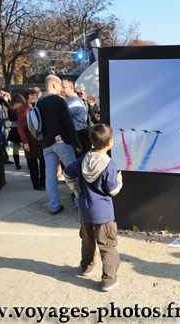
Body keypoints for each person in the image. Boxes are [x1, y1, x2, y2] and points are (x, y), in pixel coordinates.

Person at [63, 124, 123, 292]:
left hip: (85, 211)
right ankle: (109, 280)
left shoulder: (84, 158)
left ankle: (86, 268)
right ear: (110, 142)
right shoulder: (110, 165)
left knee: (87, 240)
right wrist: (119, 180)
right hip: (103, 214)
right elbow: (113, 190)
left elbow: (67, 173)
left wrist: (77, 190)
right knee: (107, 245)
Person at [36, 75, 81, 215]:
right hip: (62, 143)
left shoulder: (38, 102)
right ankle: (81, 204)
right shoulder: (59, 101)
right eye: (60, 85)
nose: (62, 89)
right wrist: (76, 143)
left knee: (50, 178)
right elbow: (68, 123)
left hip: (46, 144)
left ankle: (53, 206)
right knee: (74, 174)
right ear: (54, 85)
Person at [17, 88, 45, 190]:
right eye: (31, 95)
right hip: (30, 141)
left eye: (35, 95)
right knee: (33, 164)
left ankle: (43, 182)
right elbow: (21, 128)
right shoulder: (23, 110)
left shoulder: (38, 108)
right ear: (27, 96)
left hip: (40, 141)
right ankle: (36, 184)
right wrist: (25, 142)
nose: (34, 97)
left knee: (43, 162)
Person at [62, 79, 91, 156]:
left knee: (81, 162)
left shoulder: (75, 101)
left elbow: (63, 115)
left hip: (80, 135)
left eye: (64, 87)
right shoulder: (69, 100)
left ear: (71, 87)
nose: (61, 90)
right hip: (77, 134)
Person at [7, 94, 24, 170]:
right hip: (23, 128)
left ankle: (17, 164)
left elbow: (10, 119)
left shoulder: (10, 108)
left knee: (15, 147)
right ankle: (30, 164)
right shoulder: (23, 107)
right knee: (26, 146)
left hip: (14, 128)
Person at [0, 89, 13, 165]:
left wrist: (6, 100)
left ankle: (5, 158)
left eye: (3, 94)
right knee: (2, 143)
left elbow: (11, 109)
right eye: (0, 93)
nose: (1, 95)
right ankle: (4, 158)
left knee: (7, 143)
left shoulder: (8, 102)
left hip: (7, 124)